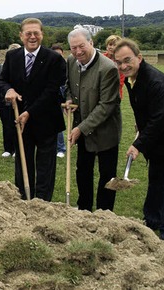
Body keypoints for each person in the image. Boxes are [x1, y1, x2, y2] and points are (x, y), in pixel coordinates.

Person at [114, 38, 164, 240]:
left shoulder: (155, 81)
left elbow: (158, 119)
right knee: (156, 182)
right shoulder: (134, 78)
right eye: (119, 62)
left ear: (139, 58)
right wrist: (141, 127)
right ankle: (151, 222)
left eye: (127, 60)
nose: (123, 66)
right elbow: (146, 112)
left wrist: (138, 145)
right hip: (157, 139)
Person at [0, 18, 66, 201]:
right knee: (23, 165)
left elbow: (51, 91)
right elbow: (2, 80)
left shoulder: (54, 59)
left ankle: (42, 204)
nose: (32, 36)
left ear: (42, 34)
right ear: (21, 36)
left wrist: (30, 112)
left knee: (45, 167)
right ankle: (24, 200)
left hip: (46, 121)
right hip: (20, 121)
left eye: (36, 33)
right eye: (28, 33)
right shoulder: (12, 57)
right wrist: (9, 90)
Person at [65, 28, 122, 212]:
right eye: (74, 48)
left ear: (91, 43)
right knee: (83, 172)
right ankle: (84, 210)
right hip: (83, 132)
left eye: (82, 46)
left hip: (106, 133)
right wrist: (68, 99)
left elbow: (106, 105)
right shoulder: (71, 61)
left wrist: (81, 128)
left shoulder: (108, 68)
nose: (78, 51)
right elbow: (69, 87)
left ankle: (105, 214)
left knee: (107, 176)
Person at [50, 43, 67, 158]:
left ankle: (61, 148)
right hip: (48, 98)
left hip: (60, 98)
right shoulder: (47, 65)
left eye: (60, 55)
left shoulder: (66, 66)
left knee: (57, 123)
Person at [103, 35, 125, 99]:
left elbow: (121, 80)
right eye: (110, 44)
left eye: (114, 45)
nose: (111, 47)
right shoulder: (101, 58)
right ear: (107, 46)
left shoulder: (121, 61)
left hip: (116, 93)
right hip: (101, 92)